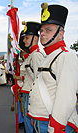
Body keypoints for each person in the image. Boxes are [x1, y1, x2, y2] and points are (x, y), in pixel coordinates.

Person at [28, 3, 78, 132]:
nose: (43, 34)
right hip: (41, 122)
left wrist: (55, 127)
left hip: (53, 124)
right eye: (42, 31)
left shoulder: (66, 56)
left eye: (48, 30)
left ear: (60, 34)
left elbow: (66, 97)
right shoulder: (48, 57)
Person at [20, 21, 44, 133]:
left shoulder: (36, 56)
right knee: (27, 124)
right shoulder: (31, 55)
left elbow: (39, 80)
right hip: (26, 93)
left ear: (35, 38)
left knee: (30, 126)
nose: (24, 40)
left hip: (30, 95)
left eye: (27, 38)